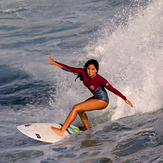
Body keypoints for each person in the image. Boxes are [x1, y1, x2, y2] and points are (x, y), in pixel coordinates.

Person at [48, 56, 133, 136]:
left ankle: (62, 131)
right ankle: (87, 129)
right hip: (96, 98)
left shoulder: (100, 79)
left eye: (93, 69)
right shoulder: (83, 72)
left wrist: (125, 99)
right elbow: (70, 69)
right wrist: (55, 63)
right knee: (80, 110)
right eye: (88, 68)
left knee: (76, 107)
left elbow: (112, 89)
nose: (90, 71)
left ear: (96, 70)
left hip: (103, 101)